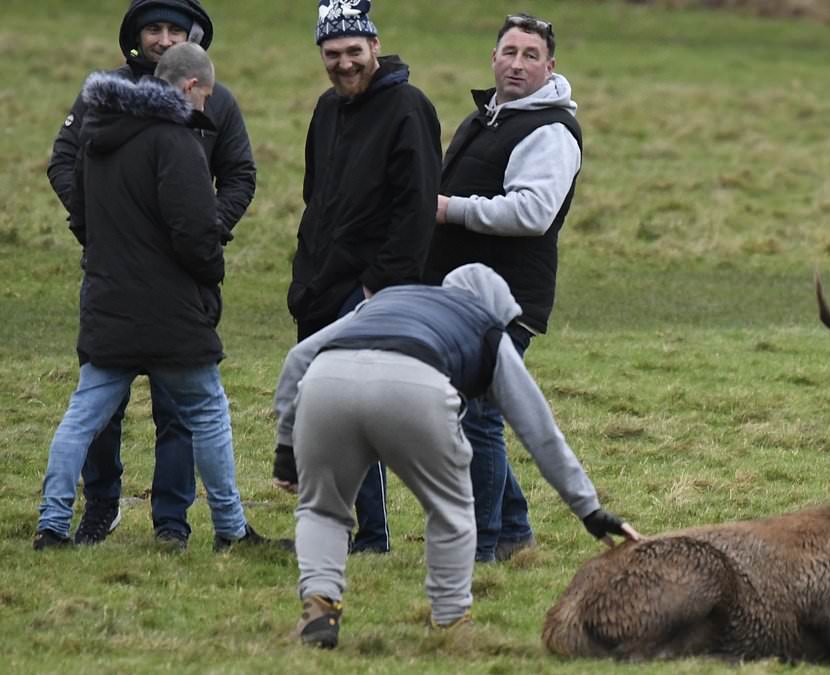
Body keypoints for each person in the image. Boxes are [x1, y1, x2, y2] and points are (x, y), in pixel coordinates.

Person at [273, 263, 639, 648]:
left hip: (326, 382)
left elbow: (299, 356)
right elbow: (540, 431)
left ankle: (320, 608)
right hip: (415, 386)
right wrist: (590, 510)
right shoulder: (487, 328)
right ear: (498, 309)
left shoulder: (385, 300)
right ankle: (450, 623)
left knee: (323, 510)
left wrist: (285, 447)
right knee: (450, 511)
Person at [34, 44, 282, 553]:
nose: (205, 106)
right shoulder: (177, 141)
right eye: (206, 96)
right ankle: (232, 530)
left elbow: (80, 212)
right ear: (191, 86)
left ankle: (52, 526)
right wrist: (212, 274)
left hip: (108, 305)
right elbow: (195, 232)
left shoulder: (96, 135)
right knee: (208, 413)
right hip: (173, 315)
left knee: (81, 417)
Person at [274, 0, 442, 555]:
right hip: (319, 282)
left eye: (353, 51)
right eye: (332, 53)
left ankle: (370, 535)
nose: (343, 64)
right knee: (321, 412)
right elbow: (315, 196)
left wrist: (381, 287)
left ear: (374, 46)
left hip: (367, 290)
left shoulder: (408, 109)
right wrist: (306, 272)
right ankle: (331, 528)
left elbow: (415, 209)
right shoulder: (327, 109)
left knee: (353, 409)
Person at [422, 13, 583, 563]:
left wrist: (450, 210)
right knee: (473, 412)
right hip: (464, 296)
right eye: (509, 52)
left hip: (507, 300)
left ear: (550, 66)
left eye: (530, 56)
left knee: (478, 416)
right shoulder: (487, 117)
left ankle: (483, 546)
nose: (517, 64)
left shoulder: (551, 131)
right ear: (493, 57)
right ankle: (512, 533)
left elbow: (534, 212)